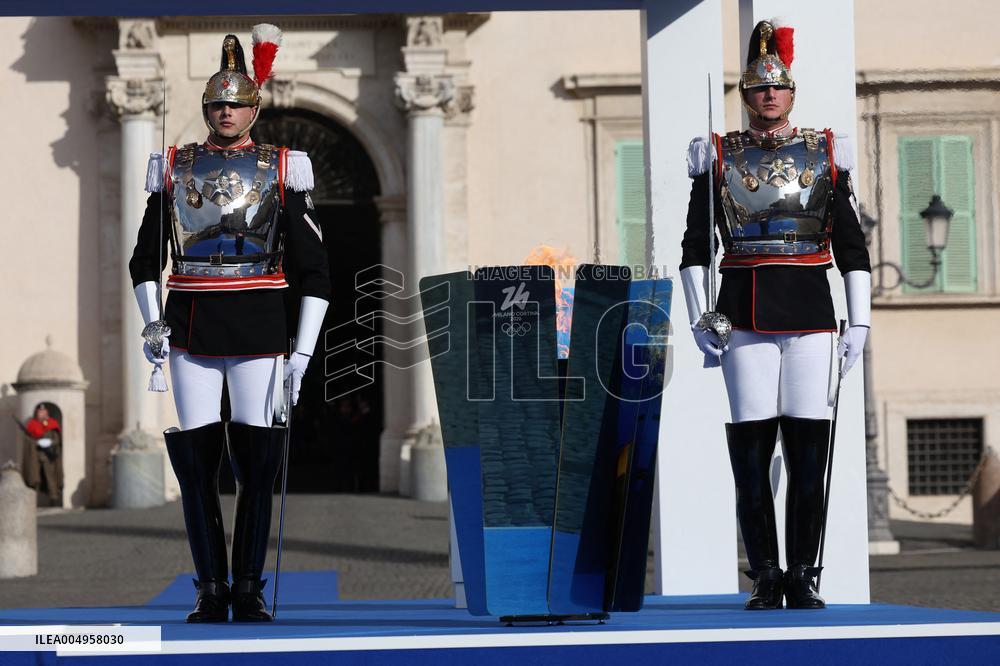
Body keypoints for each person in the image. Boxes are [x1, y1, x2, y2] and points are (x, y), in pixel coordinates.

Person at [128, 24, 330, 622]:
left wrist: (302, 353)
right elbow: (145, 257)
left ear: (254, 107)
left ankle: (248, 588)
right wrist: (150, 323)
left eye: (236, 103)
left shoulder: (284, 167)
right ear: (206, 108)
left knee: (257, 463)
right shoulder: (174, 166)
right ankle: (209, 588)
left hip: (260, 324)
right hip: (190, 320)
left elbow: (314, 271)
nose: (225, 112)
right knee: (195, 464)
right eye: (217, 103)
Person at [679, 19, 871, 610]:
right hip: (743, 315)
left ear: (792, 92)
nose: (769, 95)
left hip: (812, 313)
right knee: (752, 453)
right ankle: (765, 573)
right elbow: (694, 247)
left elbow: (852, 248)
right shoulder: (717, 157)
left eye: (778, 86)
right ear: (745, 94)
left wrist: (859, 323)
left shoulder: (825, 153)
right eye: (758, 87)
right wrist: (698, 318)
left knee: (810, 450)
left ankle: (804, 574)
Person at [22, 403, 64, 505]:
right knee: (34, 478)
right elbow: (28, 440)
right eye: (39, 412)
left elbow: (57, 440)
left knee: (50, 478)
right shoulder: (32, 425)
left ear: (47, 412)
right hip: (35, 456)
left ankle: (53, 499)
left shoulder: (52, 424)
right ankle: (32, 501)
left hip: (47, 457)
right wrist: (35, 443)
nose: (41, 414)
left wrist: (49, 443)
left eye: (43, 411)